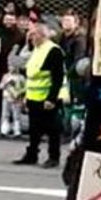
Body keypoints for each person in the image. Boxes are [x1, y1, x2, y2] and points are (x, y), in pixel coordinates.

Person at [13, 21, 65, 168]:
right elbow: (32, 75)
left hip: (47, 98)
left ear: (42, 35)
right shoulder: (37, 50)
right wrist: (25, 95)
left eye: (33, 35)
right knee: (34, 130)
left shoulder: (53, 51)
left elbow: (57, 77)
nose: (30, 38)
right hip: (34, 97)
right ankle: (31, 155)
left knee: (52, 130)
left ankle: (53, 157)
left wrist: (51, 98)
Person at [0, 11, 23, 129]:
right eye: (7, 19)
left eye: (11, 19)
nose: (9, 22)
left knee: (14, 97)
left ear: (15, 21)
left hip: (13, 70)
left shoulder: (20, 35)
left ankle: (12, 121)